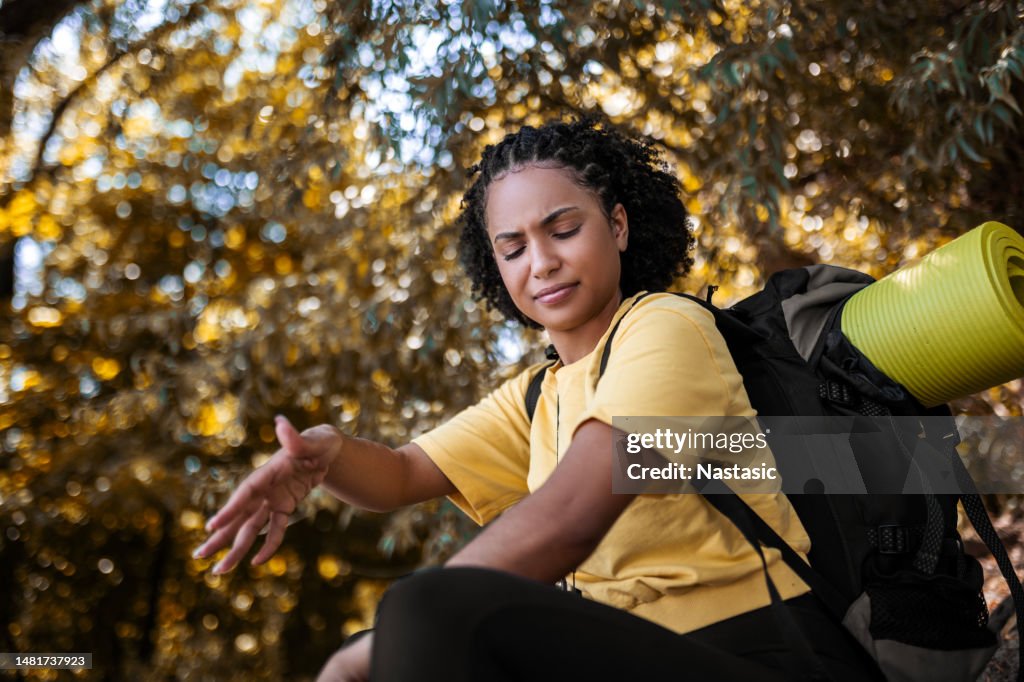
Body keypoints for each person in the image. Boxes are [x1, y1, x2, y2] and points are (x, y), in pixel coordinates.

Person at [194, 118, 885, 681]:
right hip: (626, 656)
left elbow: (570, 516)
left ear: (617, 226)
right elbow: (403, 473)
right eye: (513, 247)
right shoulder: (538, 393)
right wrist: (327, 454)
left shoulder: (666, 329)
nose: (542, 263)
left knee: (428, 611)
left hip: (763, 652)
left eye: (562, 230)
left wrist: (380, 643)